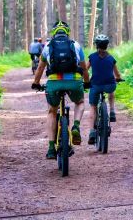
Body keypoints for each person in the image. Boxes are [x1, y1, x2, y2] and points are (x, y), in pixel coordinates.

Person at [32, 21, 91, 159]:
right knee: (80, 102)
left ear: (53, 33)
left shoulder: (47, 46)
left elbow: (40, 68)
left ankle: (51, 148)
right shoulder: (75, 45)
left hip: (54, 83)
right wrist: (87, 82)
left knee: (52, 111)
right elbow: (83, 67)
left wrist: (36, 83)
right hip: (74, 82)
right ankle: (75, 126)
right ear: (67, 32)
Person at [86, 34, 124, 145]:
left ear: (96, 45)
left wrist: (86, 81)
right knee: (111, 89)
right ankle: (112, 111)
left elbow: (86, 70)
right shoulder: (111, 58)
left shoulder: (92, 57)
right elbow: (117, 74)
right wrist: (118, 78)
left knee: (93, 106)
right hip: (109, 85)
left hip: (95, 85)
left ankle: (92, 132)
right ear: (107, 45)